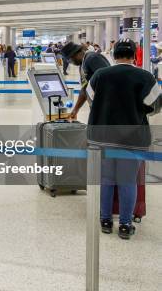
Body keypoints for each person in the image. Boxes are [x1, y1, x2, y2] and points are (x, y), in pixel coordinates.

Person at [86, 39, 160, 239]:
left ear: (114, 55)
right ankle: (126, 225)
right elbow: (155, 105)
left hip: (101, 136)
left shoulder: (100, 75)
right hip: (133, 138)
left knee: (106, 179)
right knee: (128, 181)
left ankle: (106, 220)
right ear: (135, 55)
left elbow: (90, 98)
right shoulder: (144, 76)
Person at [61, 42, 110, 120]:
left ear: (74, 55)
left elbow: (108, 80)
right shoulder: (83, 64)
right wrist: (75, 109)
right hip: (97, 107)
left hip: (106, 107)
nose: (71, 63)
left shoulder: (92, 58)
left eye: (70, 60)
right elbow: (85, 88)